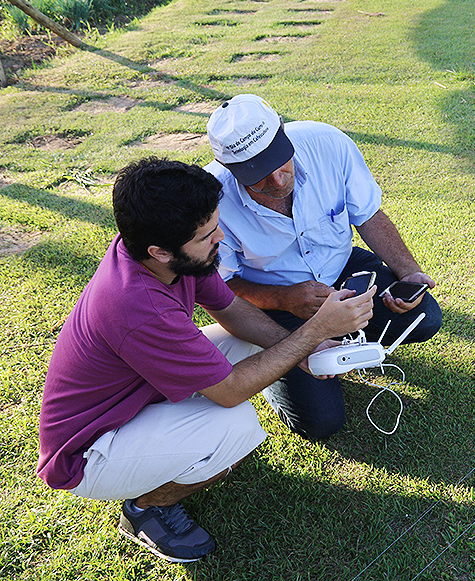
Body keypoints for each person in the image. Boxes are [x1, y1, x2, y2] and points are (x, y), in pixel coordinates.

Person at [36, 157, 375, 563]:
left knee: (260, 347)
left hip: (137, 396)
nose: (220, 237)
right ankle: (145, 508)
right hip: (88, 451)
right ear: (160, 252)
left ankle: (179, 455)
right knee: (235, 427)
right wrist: (314, 331)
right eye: (207, 235)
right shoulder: (138, 305)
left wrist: (302, 352)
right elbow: (230, 393)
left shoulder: (162, 250)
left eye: (217, 224)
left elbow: (230, 307)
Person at [204, 94, 442, 439]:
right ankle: (271, 355)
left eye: (279, 161)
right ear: (229, 169)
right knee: (320, 423)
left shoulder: (326, 143)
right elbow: (220, 288)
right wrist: (284, 299)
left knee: (424, 318)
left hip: (340, 271)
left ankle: (335, 339)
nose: (277, 180)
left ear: (283, 133)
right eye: (257, 176)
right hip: (270, 302)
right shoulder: (212, 199)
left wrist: (408, 272)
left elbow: (368, 216)